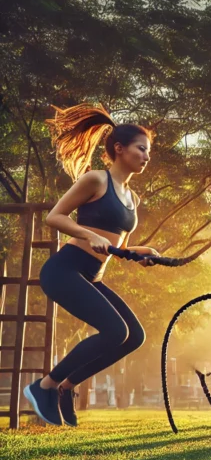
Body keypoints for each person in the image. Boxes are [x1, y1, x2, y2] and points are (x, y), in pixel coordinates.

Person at [24, 104, 157, 427]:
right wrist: (85, 234)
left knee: (134, 336)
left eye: (148, 151)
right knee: (114, 330)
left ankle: (67, 386)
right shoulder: (96, 179)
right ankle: (44, 386)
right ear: (119, 149)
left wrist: (137, 251)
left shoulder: (132, 198)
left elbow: (115, 245)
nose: (146, 156)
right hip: (64, 270)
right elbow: (54, 216)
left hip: (92, 275)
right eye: (141, 149)